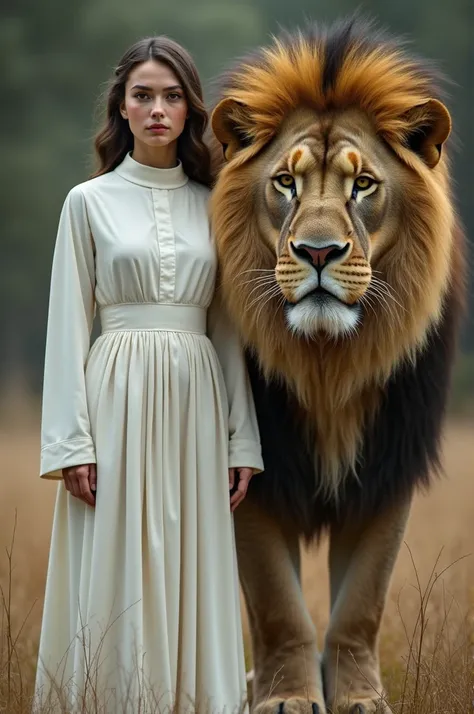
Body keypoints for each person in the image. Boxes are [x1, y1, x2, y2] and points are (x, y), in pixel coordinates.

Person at [34, 36, 263, 714]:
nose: (157, 108)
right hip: (116, 401)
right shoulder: (88, 202)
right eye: (143, 95)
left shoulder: (218, 205)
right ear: (122, 108)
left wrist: (240, 440)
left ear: (191, 109)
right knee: (116, 563)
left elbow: (227, 332)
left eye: (171, 96)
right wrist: (72, 443)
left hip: (197, 404)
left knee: (193, 564)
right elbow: (69, 326)